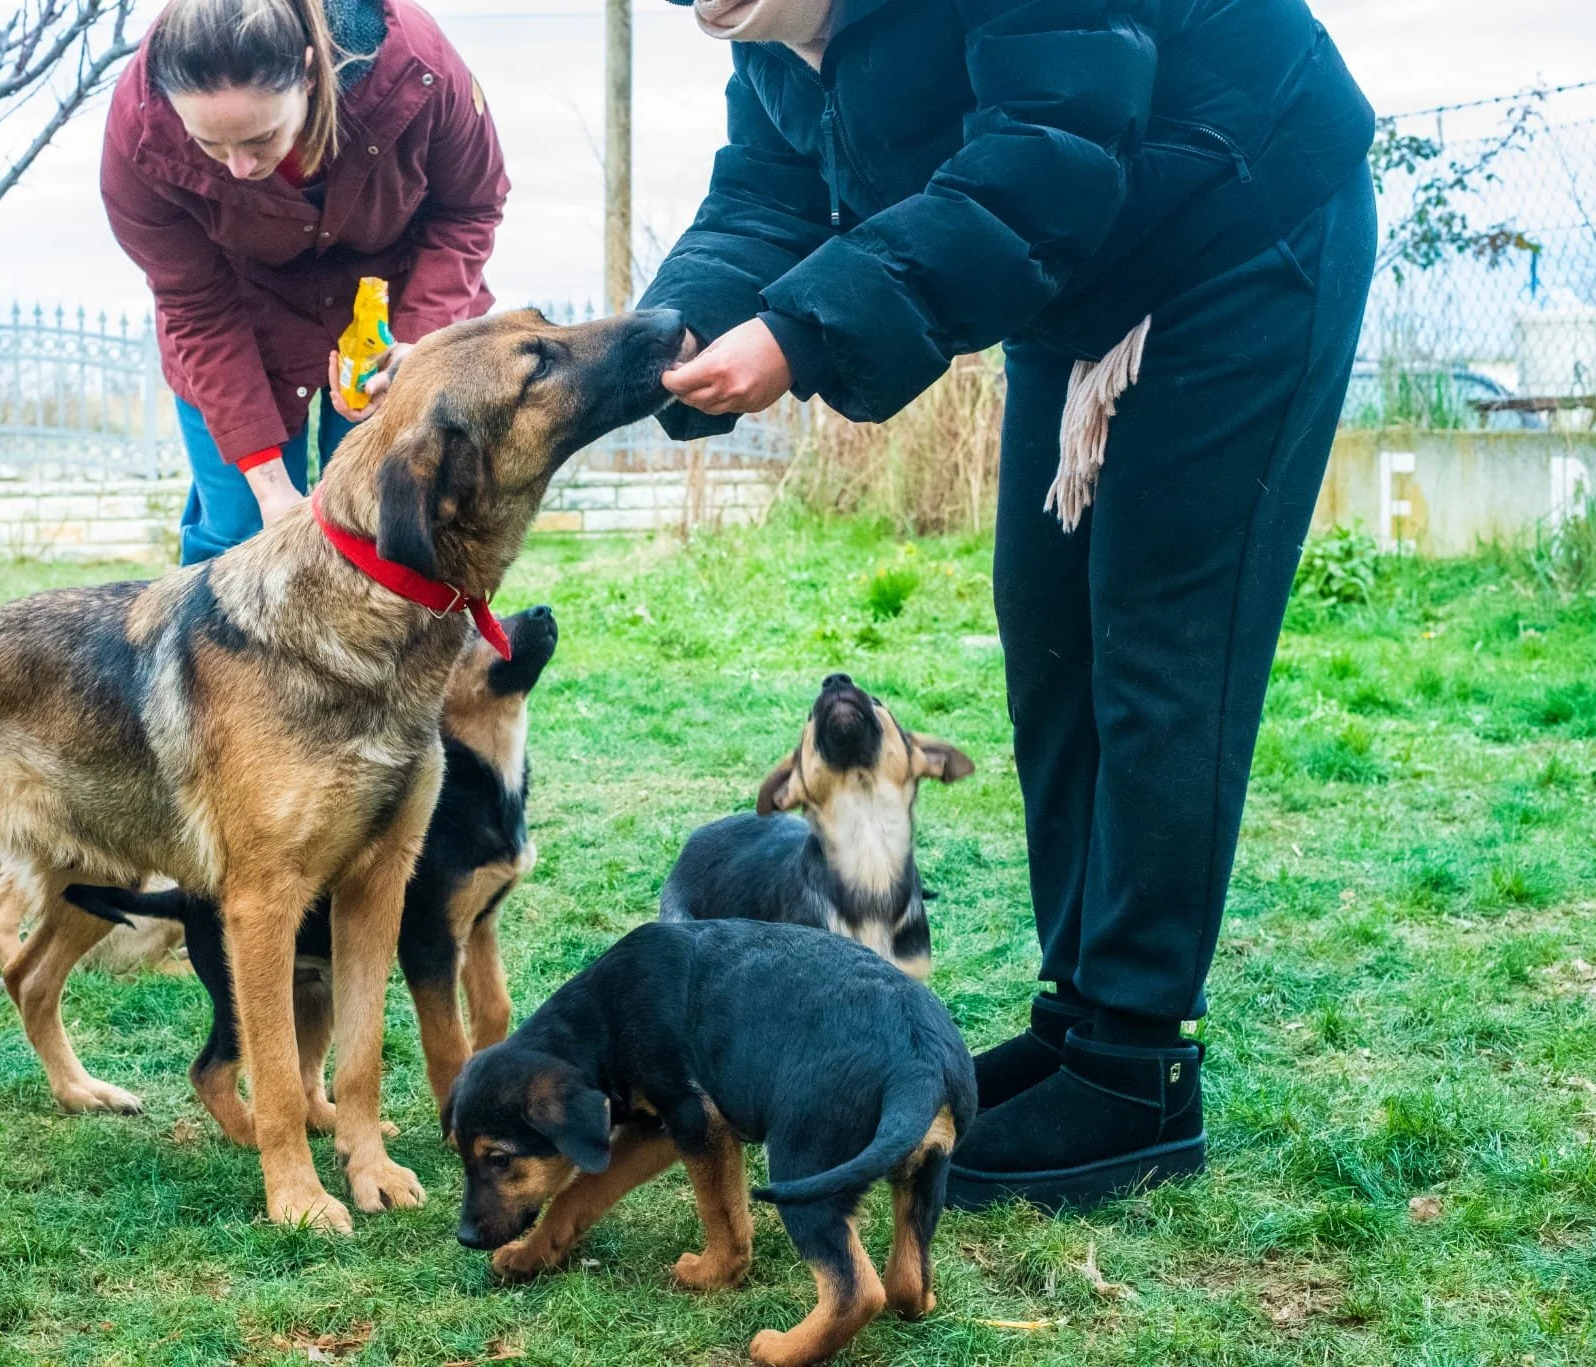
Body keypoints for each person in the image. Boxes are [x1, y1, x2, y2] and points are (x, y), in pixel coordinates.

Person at [640, 0, 1377, 1210]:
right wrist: (665, 336)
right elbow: (766, 196)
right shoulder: (769, 34)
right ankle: (1077, 1019)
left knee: (1159, 649)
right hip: (1075, 278)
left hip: (1242, 230)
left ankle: (1138, 1069)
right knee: (1047, 640)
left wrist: (800, 328)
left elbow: (1042, 156)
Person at [102, 0, 507, 563]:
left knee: (394, 529)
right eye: (210, 146)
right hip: (241, 313)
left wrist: (416, 353)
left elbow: (470, 208)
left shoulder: (418, 67)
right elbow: (195, 306)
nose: (239, 167)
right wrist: (269, 489)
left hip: (395, 297)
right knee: (241, 539)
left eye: (261, 138)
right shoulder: (139, 132)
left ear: (312, 75)